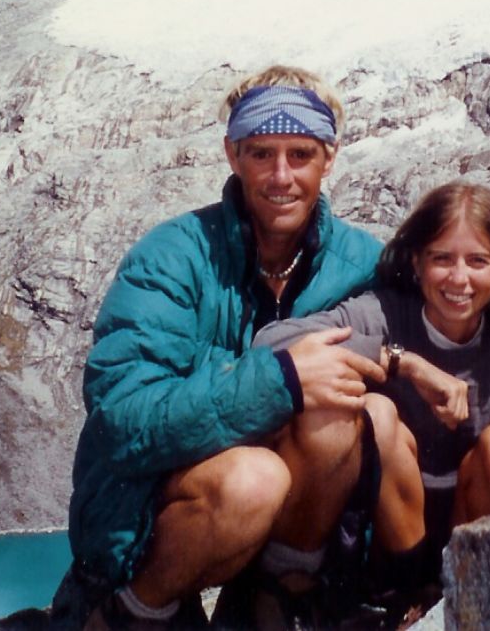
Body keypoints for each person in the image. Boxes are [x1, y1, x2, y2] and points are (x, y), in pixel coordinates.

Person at [55, 66, 394, 630]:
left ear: (328, 158)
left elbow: (468, 296)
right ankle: (133, 613)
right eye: (261, 154)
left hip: (271, 509)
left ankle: (275, 597)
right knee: (253, 482)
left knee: (349, 405)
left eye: (300, 155)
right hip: (148, 505)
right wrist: (279, 379)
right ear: (233, 155)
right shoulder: (171, 257)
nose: (280, 176)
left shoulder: (361, 261)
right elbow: (122, 417)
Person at [252, 181, 490, 608]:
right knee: (375, 414)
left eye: (478, 261)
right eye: (442, 259)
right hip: (390, 540)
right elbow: (270, 343)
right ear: (416, 262)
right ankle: (405, 598)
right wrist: (401, 361)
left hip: (482, 515)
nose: (459, 278)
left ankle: (483, 591)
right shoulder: (382, 314)